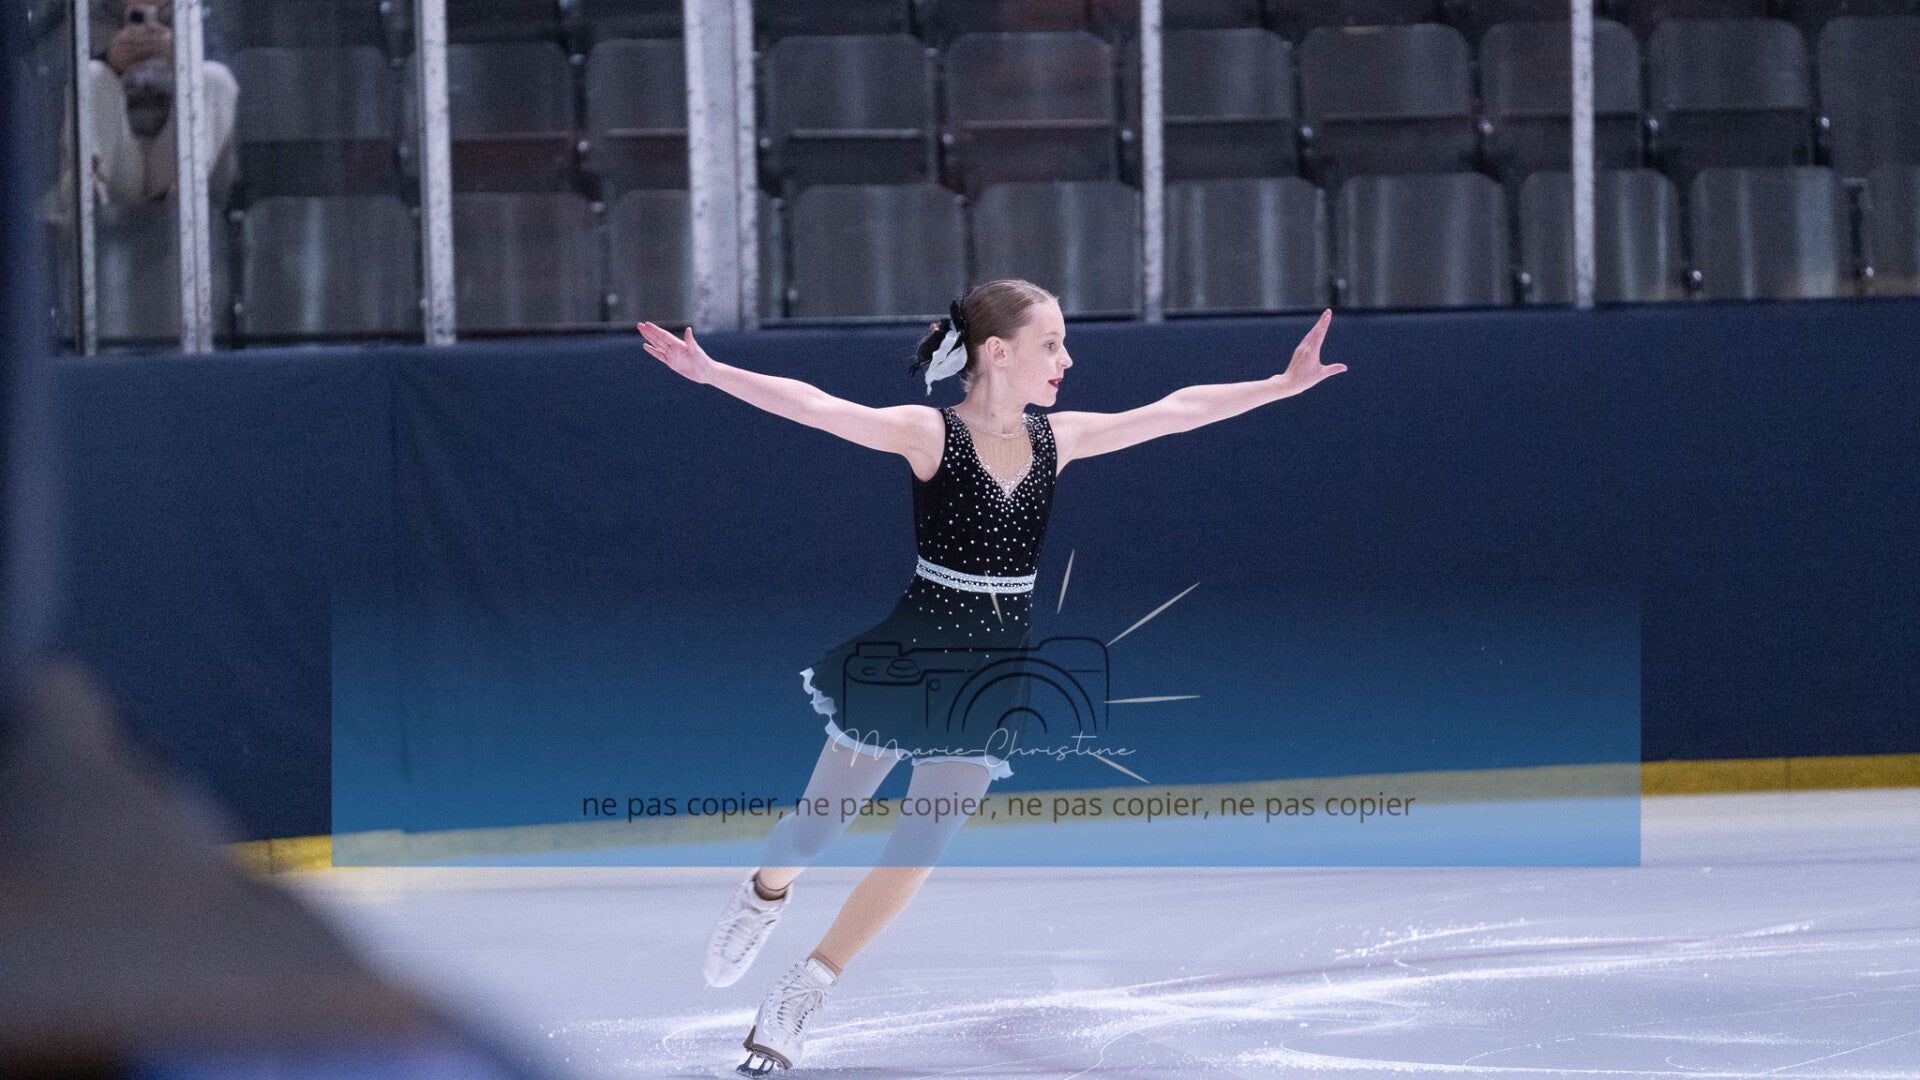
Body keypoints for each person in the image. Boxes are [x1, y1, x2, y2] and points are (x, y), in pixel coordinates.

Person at [635, 280, 1344, 1075]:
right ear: (998, 352)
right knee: (818, 827)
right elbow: (816, 406)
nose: (1067, 360)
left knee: (918, 847)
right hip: (911, 657)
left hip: (994, 675)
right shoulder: (929, 434)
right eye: (1052, 344)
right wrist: (714, 373)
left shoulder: (1058, 440)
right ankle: (765, 893)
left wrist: (1281, 385)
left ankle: (806, 988)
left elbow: (1177, 410)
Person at [41, 0, 239, 222]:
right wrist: (110, 62)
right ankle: (88, 196)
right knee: (91, 74)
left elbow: (230, 79)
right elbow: (46, 89)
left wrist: (182, 52)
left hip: (179, 164)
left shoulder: (195, 13)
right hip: (116, 162)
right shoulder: (81, 16)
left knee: (214, 77)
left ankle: (186, 213)